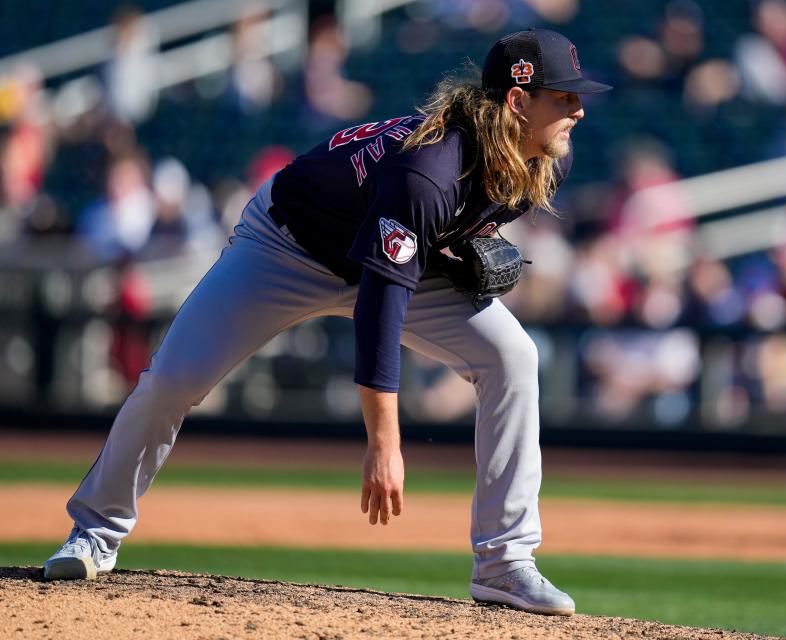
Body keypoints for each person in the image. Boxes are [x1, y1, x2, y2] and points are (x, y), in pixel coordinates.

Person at [42, 28, 611, 616]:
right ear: (517, 103)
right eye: (562, 97)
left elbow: (405, 258)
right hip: (286, 249)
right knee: (172, 380)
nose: (579, 108)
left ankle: (505, 563)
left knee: (512, 357)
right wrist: (384, 443)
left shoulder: (542, 163)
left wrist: (452, 246)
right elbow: (379, 308)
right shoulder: (430, 171)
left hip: (389, 254)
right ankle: (95, 532)